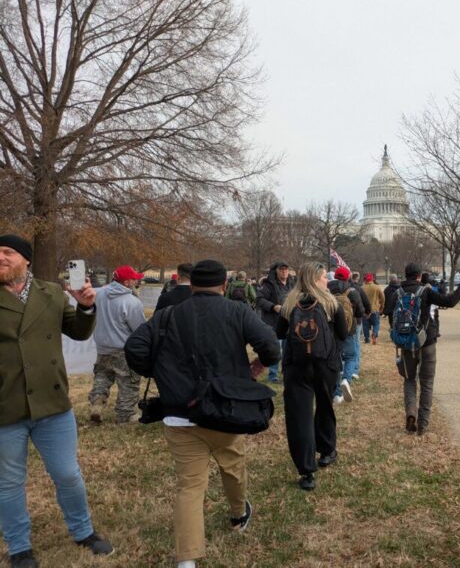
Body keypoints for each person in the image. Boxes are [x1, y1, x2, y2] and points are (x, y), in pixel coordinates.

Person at [125, 259, 280, 568]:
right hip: (226, 410)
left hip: (180, 415)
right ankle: (238, 514)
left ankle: (187, 560)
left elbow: (134, 349)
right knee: (233, 469)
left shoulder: (167, 316)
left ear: (191, 284)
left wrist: (159, 373)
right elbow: (271, 347)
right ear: (224, 286)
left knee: (189, 486)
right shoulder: (237, 311)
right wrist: (257, 367)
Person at [0, 235, 113, 568]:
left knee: (67, 474)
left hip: (52, 405)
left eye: (7, 252)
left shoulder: (51, 293)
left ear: (26, 260)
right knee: (9, 482)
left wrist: (86, 305)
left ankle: (83, 531)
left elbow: (78, 331)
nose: (0, 258)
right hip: (6, 406)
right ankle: (19, 546)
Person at [276, 263, 348, 491]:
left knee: (300, 415)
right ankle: (327, 451)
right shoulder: (330, 302)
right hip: (326, 363)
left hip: (296, 365)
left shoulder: (290, 303)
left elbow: (279, 333)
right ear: (316, 279)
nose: (327, 281)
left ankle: (307, 471)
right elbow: (344, 334)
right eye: (324, 277)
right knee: (325, 406)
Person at [398, 263, 460, 435]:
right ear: (419, 275)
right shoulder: (425, 292)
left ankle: (410, 413)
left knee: (409, 379)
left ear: (406, 275)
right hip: (427, 341)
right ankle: (423, 424)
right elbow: (450, 301)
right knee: (427, 382)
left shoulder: (397, 292)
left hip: (406, 342)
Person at [88, 265, 147, 424]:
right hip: (123, 349)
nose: (136, 281)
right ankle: (126, 415)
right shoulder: (131, 302)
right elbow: (139, 328)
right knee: (129, 381)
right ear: (127, 282)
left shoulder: (99, 294)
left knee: (102, 376)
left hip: (102, 347)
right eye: (134, 279)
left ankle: (97, 403)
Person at [328, 266, 364, 404]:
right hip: (349, 331)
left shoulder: (327, 289)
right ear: (348, 276)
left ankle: (336, 393)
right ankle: (346, 379)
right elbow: (360, 312)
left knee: (335, 359)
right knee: (351, 356)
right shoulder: (352, 291)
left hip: (331, 330)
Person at [257, 261, 295, 383]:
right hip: (274, 322)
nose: (284, 271)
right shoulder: (268, 285)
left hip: (289, 321)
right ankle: (272, 376)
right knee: (275, 349)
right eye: (281, 269)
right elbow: (259, 300)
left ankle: (286, 373)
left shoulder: (292, 283)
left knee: (288, 349)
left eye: (286, 269)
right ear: (276, 271)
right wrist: (273, 306)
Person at [361, 273, 385, 344]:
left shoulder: (362, 288)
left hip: (365, 310)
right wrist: (381, 307)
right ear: (372, 279)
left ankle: (366, 338)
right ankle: (374, 334)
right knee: (376, 324)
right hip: (375, 309)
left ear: (366, 279)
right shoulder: (377, 287)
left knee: (365, 325)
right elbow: (383, 298)